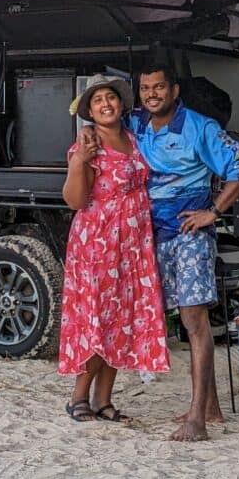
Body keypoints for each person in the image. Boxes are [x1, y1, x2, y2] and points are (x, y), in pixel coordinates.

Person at [131, 61, 239, 442]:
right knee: (184, 323)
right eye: (145, 88)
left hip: (189, 236)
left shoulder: (199, 127)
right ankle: (211, 407)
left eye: (158, 87)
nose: (152, 94)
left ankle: (197, 422)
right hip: (155, 235)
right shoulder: (138, 125)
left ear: (174, 91)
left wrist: (214, 212)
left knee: (194, 321)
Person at [59, 75, 170, 424]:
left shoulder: (136, 140)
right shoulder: (86, 147)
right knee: (99, 319)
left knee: (122, 321)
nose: (106, 104)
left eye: (111, 98)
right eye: (97, 100)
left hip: (133, 245)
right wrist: (79, 162)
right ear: (90, 111)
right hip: (98, 245)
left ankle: (103, 400)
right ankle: (78, 396)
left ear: (121, 104)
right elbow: (76, 200)